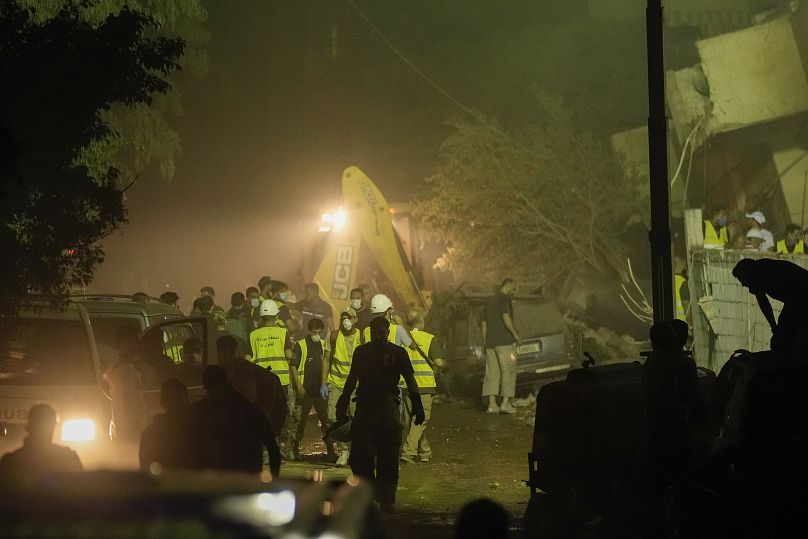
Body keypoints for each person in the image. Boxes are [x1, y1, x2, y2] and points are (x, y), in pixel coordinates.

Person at [336, 316, 424, 513]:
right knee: (360, 456)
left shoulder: (398, 353)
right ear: (370, 332)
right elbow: (352, 378)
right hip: (366, 408)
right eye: (375, 331)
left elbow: (410, 379)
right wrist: (343, 400)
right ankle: (368, 495)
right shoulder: (362, 352)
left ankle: (385, 499)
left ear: (387, 332)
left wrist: (417, 404)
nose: (377, 335)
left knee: (388, 455)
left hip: (386, 408)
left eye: (381, 332)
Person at [641, 321, 699, 536]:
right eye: (673, 336)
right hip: (672, 433)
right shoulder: (672, 365)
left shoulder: (654, 364)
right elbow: (680, 400)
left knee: (659, 485)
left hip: (658, 433)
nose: (677, 339)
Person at [188, 366, 281, 477]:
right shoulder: (249, 409)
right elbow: (272, 448)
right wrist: (274, 479)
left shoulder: (198, 411)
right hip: (246, 481)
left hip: (214, 483)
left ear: (206, 386)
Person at [218, 335, 287, 443]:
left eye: (220, 353)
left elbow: (249, 398)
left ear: (228, 351)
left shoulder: (243, 370)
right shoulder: (241, 368)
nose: (219, 358)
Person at [733, 258, 808, 358]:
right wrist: (775, 327)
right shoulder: (762, 270)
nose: (743, 284)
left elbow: (764, 303)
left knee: (783, 340)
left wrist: (776, 328)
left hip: (801, 299)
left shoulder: (761, 274)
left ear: (747, 273)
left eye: (741, 279)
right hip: (797, 300)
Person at [249, 299, 295, 453]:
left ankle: (262, 446)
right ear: (276, 316)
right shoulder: (282, 332)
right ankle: (280, 447)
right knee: (282, 414)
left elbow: (249, 358)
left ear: (261, 318)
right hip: (281, 380)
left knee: (263, 412)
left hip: (260, 381)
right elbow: (289, 355)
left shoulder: (254, 335)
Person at [400, 310, 444, 464]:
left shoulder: (402, 340)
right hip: (424, 386)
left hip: (407, 387)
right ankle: (408, 452)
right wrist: (444, 365)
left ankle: (424, 451)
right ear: (421, 322)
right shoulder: (429, 338)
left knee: (412, 422)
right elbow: (438, 362)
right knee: (419, 421)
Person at [0, 404, 83, 483]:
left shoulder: (10, 461)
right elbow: (82, 491)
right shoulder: (69, 458)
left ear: (28, 426)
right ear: (54, 427)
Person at [288, 318, 334, 461]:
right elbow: (293, 366)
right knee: (299, 422)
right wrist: (299, 386)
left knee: (327, 422)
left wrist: (325, 384)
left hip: (320, 392)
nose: (317, 335)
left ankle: (331, 451)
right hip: (305, 392)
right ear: (309, 331)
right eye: (314, 332)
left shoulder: (324, 345)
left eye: (319, 332)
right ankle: (293, 450)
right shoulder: (301, 345)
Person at [325, 306, 361, 467]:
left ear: (356, 320)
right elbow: (326, 359)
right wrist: (323, 383)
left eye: (350, 318)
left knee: (357, 418)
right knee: (334, 418)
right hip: (337, 383)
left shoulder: (363, 336)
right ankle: (343, 451)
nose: (346, 321)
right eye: (343, 318)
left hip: (357, 386)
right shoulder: (333, 336)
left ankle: (357, 451)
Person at [106, 325, 153, 441]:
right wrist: (136, 428)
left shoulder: (114, 365)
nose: (139, 345)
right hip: (130, 431)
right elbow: (129, 400)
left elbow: (104, 386)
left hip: (119, 427)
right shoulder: (125, 369)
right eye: (136, 340)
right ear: (126, 343)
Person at [481, 278, 520, 415]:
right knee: (508, 371)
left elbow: (484, 325)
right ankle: (505, 404)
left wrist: (485, 342)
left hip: (490, 343)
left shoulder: (488, 302)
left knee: (492, 374)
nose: (513, 292)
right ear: (508, 286)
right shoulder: (504, 299)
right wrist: (515, 335)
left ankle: (492, 406)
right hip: (505, 342)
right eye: (514, 289)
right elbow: (506, 317)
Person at [139, 378, 196, 472]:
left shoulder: (149, 435)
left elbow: (145, 473)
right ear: (186, 400)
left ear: (162, 402)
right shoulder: (197, 431)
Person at [673, 257, 689, 323]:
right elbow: (686, 305)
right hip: (681, 323)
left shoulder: (669, 280)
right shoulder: (682, 282)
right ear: (682, 266)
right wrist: (690, 323)